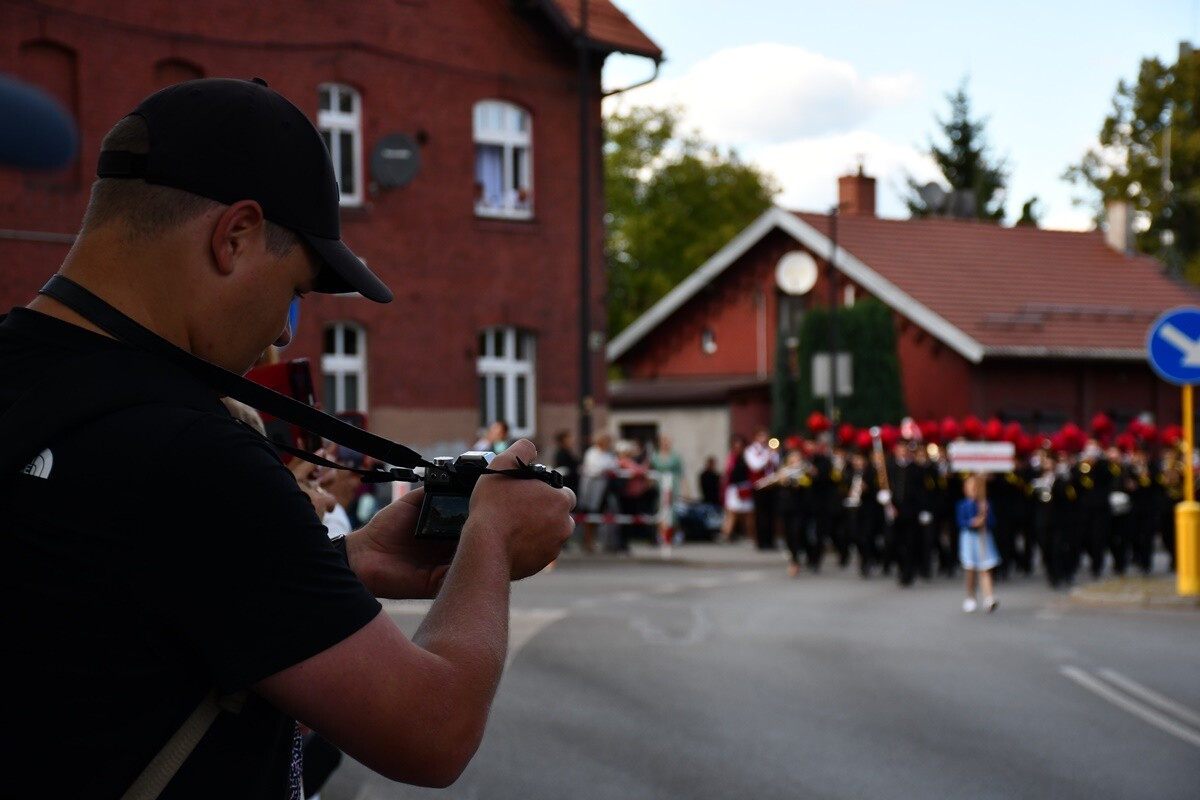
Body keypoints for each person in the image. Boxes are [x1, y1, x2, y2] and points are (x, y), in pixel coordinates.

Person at [1, 78, 575, 798]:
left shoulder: (30, 384)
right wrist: (491, 537)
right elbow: (432, 733)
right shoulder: (191, 454)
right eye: (297, 288)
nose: (281, 332)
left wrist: (348, 562)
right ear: (234, 236)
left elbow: (113, 612)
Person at [956, 474, 1000, 612]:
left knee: (985, 568)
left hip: (983, 537)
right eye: (970, 487)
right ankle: (970, 597)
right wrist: (972, 522)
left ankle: (989, 597)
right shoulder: (962, 504)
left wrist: (985, 516)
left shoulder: (985, 504)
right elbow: (960, 522)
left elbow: (993, 522)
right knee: (970, 569)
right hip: (969, 538)